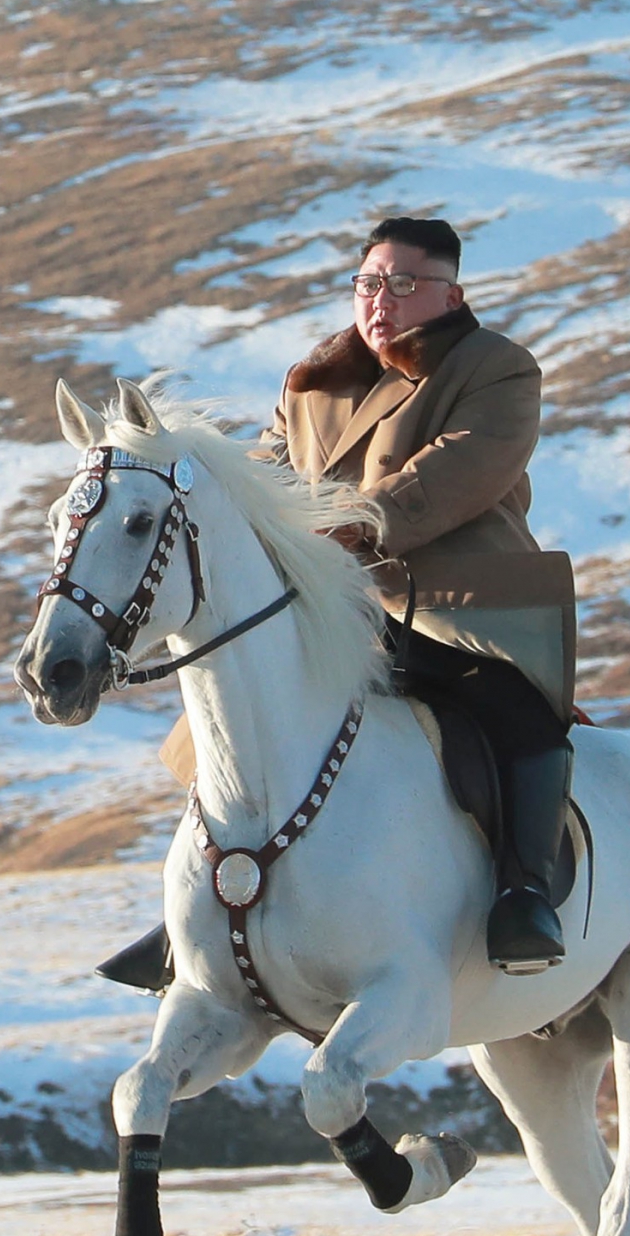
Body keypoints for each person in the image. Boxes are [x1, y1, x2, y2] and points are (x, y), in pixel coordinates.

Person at [97, 215, 577, 993]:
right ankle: (205, 907)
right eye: (366, 283)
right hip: (333, 607)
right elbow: (264, 479)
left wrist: (346, 524)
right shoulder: (310, 379)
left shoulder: (497, 369)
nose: (378, 300)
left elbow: (455, 473)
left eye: (402, 284)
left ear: (449, 293)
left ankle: (524, 894)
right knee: (227, 725)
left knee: (516, 717)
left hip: (454, 605)